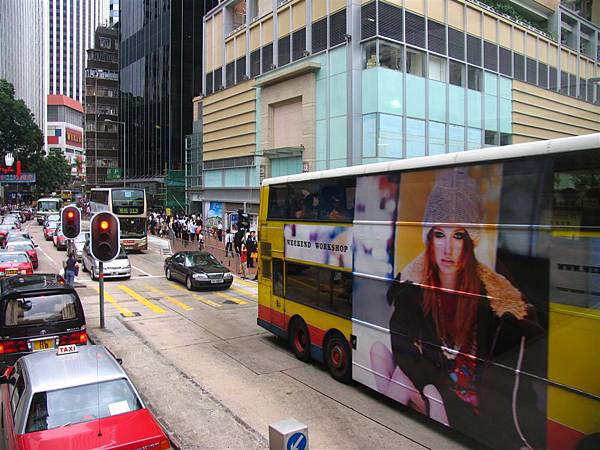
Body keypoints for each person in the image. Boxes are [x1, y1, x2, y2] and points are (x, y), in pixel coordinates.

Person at [370, 169, 545, 449]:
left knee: (406, 380)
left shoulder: (494, 299)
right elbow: (400, 341)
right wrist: (429, 387)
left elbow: (517, 380)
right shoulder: (414, 287)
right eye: (439, 234)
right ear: (430, 238)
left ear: (470, 241)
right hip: (435, 383)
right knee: (379, 353)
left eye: (458, 235)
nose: (447, 248)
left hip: (468, 402)